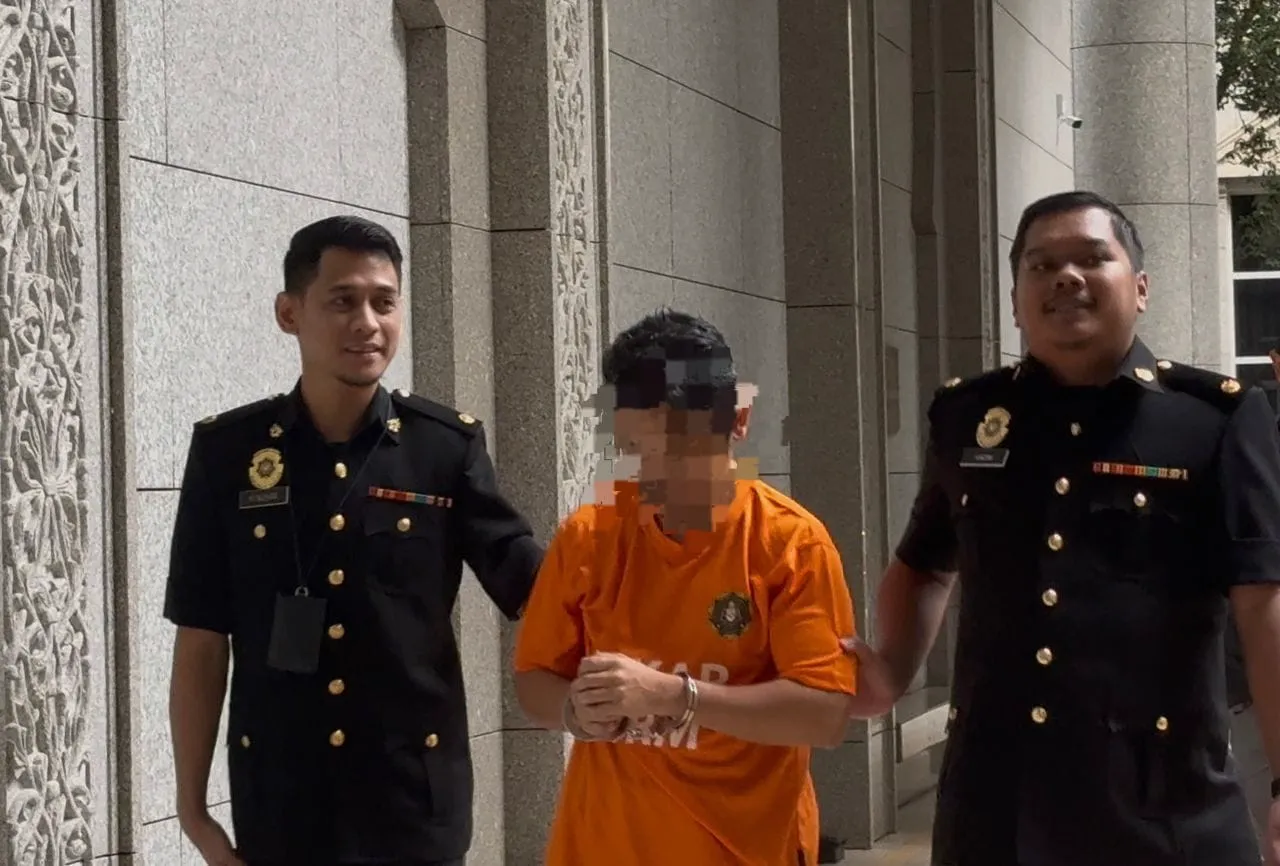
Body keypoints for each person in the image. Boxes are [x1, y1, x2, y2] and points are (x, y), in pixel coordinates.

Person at [846, 190, 1280, 866]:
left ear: (1140, 288)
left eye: (1091, 258)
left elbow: (1262, 602)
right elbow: (926, 561)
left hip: (1163, 810)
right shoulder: (969, 416)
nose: (1065, 277)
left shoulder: (1214, 420)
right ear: (1015, 299)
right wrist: (891, 670)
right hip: (995, 808)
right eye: (1041, 265)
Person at [164, 215, 543, 866]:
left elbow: (532, 584)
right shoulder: (230, 452)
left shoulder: (443, 448)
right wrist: (194, 812)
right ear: (289, 313)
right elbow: (201, 637)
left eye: (383, 302)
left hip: (412, 807)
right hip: (281, 807)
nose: (367, 323)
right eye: (342, 301)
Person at [512, 309, 858, 866]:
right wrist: (576, 711)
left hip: (746, 846)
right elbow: (534, 680)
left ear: (737, 420)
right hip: (603, 844)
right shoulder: (590, 535)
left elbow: (825, 713)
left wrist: (676, 696)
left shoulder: (790, 544)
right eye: (636, 451)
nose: (656, 477)